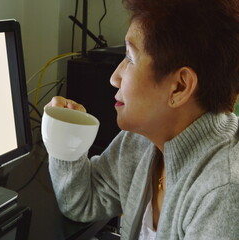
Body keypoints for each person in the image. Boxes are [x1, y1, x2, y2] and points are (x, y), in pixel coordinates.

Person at [44, 0, 239, 239]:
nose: (114, 78)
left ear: (179, 87)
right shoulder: (142, 141)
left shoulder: (224, 192)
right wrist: (66, 137)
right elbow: (83, 201)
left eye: (130, 58)